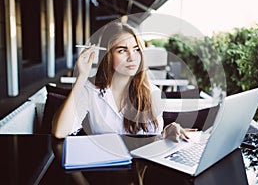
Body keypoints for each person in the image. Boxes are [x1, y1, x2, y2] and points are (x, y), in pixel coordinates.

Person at [52, 21, 188, 142]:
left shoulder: (152, 92)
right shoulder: (90, 89)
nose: (132, 57)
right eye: (122, 50)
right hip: (103, 166)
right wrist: (81, 77)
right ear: (107, 55)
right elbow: (60, 132)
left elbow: (155, 140)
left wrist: (168, 131)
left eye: (136, 49)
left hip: (140, 168)